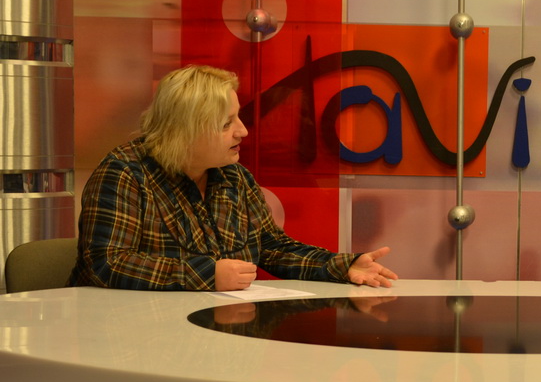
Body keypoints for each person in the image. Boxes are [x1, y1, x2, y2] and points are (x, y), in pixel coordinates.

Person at [70, 65, 398, 291]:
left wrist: (341, 266)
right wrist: (205, 275)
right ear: (186, 131)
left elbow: (271, 248)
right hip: (129, 339)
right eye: (227, 123)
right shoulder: (125, 172)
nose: (242, 131)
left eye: (237, 117)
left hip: (207, 334)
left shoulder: (234, 176)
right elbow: (107, 264)